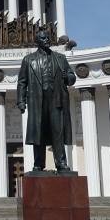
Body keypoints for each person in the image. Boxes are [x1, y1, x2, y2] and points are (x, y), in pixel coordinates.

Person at [17, 29, 77, 171]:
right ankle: (39, 163)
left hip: (56, 99)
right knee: (39, 132)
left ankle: (61, 162)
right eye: (43, 38)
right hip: (37, 100)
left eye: (47, 38)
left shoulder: (60, 58)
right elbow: (22, 82)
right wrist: (21, 101)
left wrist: (67, 77)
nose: (46, 40)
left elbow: (72, 77)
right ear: (37, 42)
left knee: (58, 132)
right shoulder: (28, 59)